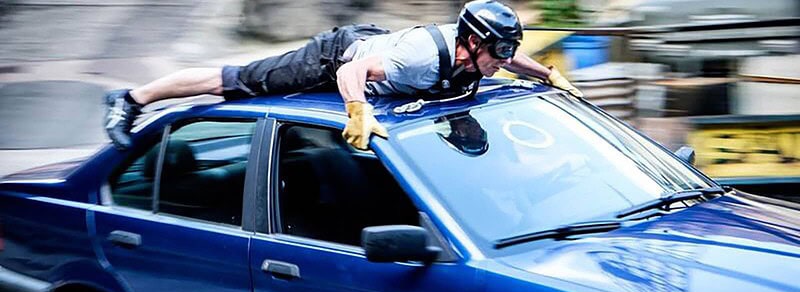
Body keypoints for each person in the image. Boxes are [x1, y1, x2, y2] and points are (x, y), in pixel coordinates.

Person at [104, 0, 582, 151]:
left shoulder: (476, 53)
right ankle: (131, 97)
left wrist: (548, 76)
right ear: (472, 44)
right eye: (497, 52)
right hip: (335, 58)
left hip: (377, 48)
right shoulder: (420, 60)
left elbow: (511, 59)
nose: (504, 61)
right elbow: (353, 70)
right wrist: (357, 110)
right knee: (232, 81)